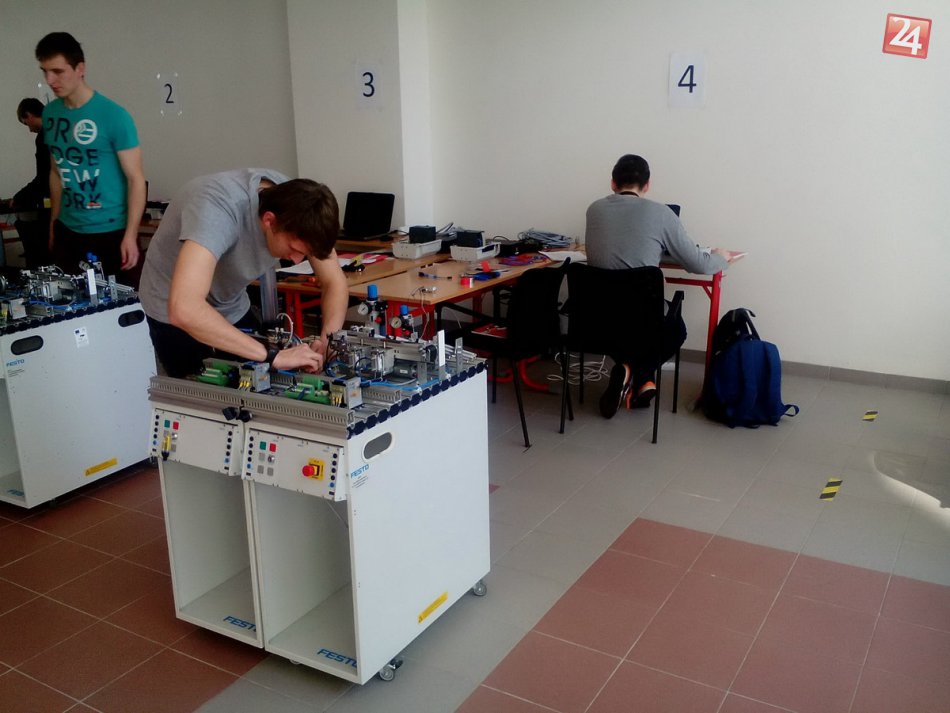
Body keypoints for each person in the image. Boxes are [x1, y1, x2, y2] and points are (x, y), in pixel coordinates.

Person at [138, 169, 349, 378]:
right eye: (294, 249)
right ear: (269, 220)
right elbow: (184, 309)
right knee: (200, 391)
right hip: (171, 303)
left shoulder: (301, 207)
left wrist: (328, 341)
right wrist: (272, 355)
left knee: (260, 380)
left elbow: (334, 282)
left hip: (228, 302)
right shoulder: (216, 211)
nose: (296, 260)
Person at [585, 153, 735, 418]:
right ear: (647, 185)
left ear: (613, 183)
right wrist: (721, 258)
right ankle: (639, 373)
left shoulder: (594, 209)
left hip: (598, 314)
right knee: (676, 329)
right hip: (641, 315)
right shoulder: (661, 213)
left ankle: (631, 373)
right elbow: (698, 264)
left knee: (626, 324)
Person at [35, 32, 145, 277]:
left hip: (112, 230)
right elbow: (56, 171)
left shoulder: (114, 115)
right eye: (45, 71)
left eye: (58, 71)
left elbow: (136, 179)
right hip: (68, 229)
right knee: (70, 298)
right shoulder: (50, 114)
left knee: (123, 299)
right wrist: (54, 221)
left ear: (80, 68)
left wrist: (131, 234)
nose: (50, 80)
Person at [4, 98, 52, 268]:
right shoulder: (58, 129)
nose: (30, 129)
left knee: (39, 251)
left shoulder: (44, 136)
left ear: (29, 115)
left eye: (26, 123)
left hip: (54, 203)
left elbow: (44, 177)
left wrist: (19, 197)